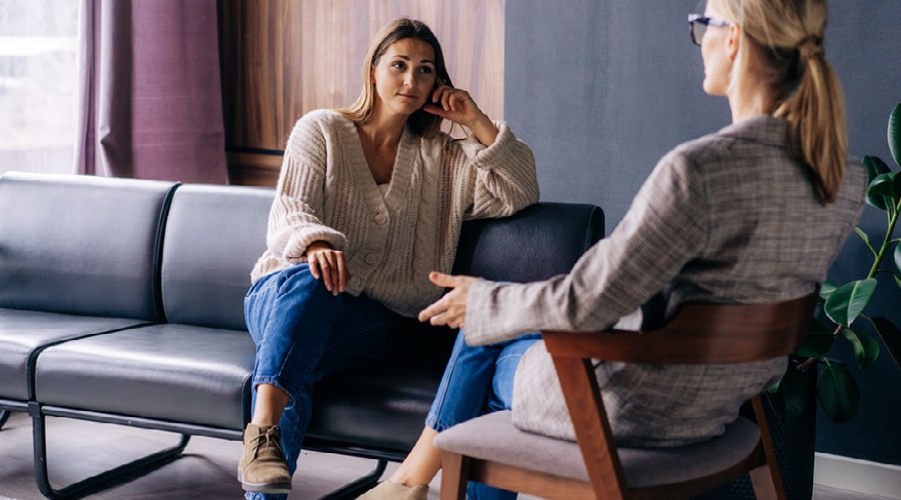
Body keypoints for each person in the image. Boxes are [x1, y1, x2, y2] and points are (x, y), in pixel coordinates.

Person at [357, 0, 867, 499]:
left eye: (701, 23)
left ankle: (406, 484)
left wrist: (483, 303)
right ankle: (407, 484)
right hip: (722, 400)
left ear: (732, 37)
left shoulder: (701, 170)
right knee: (496, 316)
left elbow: (587, 301)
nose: (699, 37)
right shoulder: (841, 177)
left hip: (632, 406)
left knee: (483, 338)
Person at [238, 17, 539, 500]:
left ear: (437, 82)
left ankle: (265, 460)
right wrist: (317, 244)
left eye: (425, 70)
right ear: (373, 71)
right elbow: (290, 210)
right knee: (309, 289)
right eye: (398, 65)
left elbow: (519, 192)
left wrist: (477, 121)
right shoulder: (322, 130)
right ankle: (264, 431)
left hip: (373, 320)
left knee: (298, 355)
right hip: (282, 294)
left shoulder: (443, 157)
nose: (411, 80)